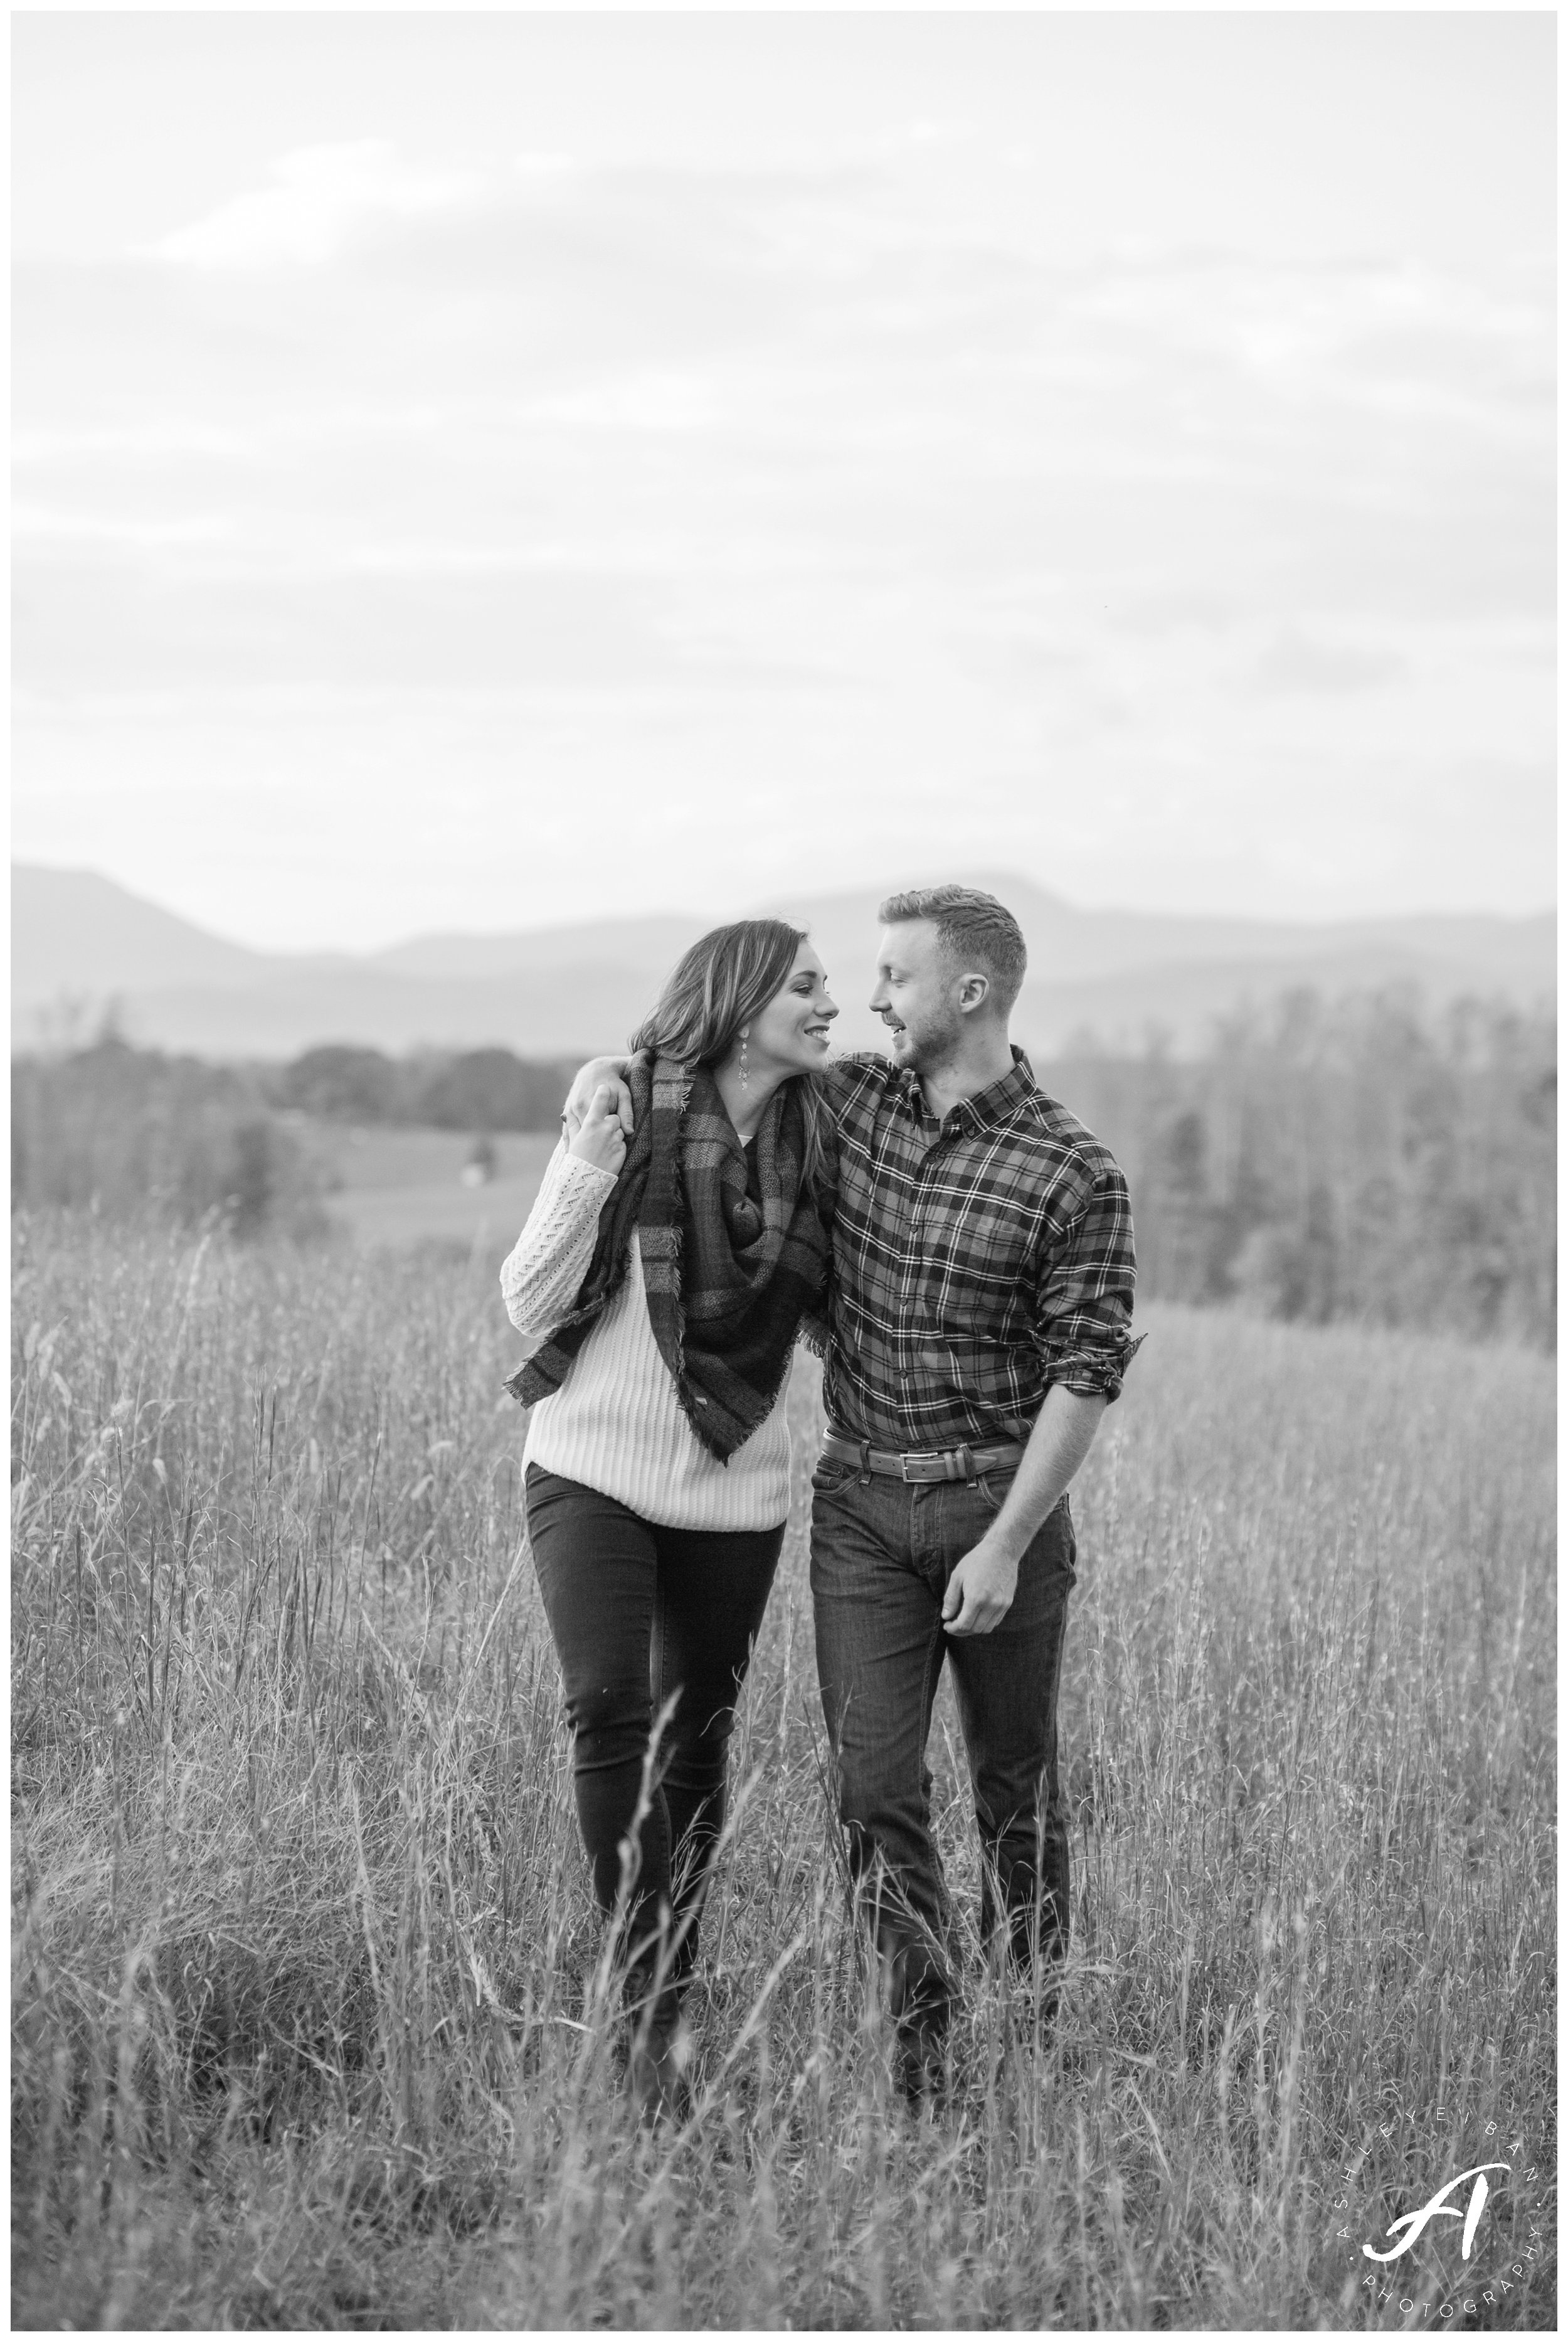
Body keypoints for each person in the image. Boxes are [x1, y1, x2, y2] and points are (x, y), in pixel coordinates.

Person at [567, 885, 1139, 2102]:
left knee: (1014, 1794)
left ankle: (1031, 2038)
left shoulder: (1071, 1171)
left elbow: (1084, 1372)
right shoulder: (849, 1103)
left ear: (968, 992)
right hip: (861, 1510)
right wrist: (605, 1077)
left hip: (998, 1517)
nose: (868, 998)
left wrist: (1005, 1540)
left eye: (893, 976)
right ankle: (925, 2057)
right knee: (873, 1792)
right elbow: (713, 1063)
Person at [500, 920, 838, 2121]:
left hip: (735, 1483)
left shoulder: (826, 1135)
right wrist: (588, 1156)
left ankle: (669, 2008)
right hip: (589, 1460)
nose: (829, 1003)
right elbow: (530, 1296)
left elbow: (844, 1315)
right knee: (608, 1706)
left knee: (695, 1748)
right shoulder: (629, 1105)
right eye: (807, 985)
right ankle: (639, 2008)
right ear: (740, 1002)